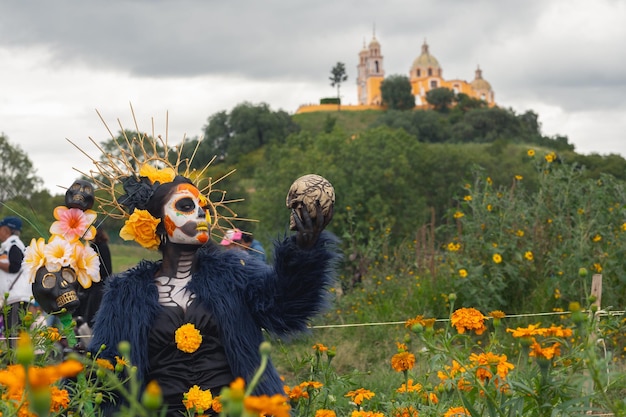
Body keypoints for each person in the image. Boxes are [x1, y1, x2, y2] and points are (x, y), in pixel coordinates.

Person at [88, 164, 338, 416]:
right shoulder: (125, 295)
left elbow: (285, 309)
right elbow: (108, 369)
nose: (200, 214)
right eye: (186, 206)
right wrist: (78, 369)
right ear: (157, 223)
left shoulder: (234, 273)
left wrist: (304, 252)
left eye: (203, 208)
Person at [0, 216, 30, 345]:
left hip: (16, 297)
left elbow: (14, 266)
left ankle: (15, 363)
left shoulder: (13, 245)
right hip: (12, 297)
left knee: (14, 332)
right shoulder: (9, 246)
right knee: (11, 332)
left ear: (7, 230)